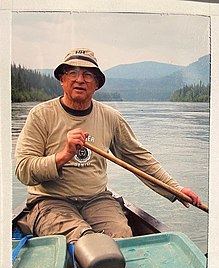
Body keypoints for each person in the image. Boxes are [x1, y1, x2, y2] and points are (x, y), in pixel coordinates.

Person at [15, 48, 202, 243]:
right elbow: (24, 170)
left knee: (122, 240)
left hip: (97, 199)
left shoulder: (110, 117)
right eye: (73, 73)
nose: (80, 79)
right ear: (62, 79)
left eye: (88, 75)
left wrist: (175, 189)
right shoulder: (41, 115)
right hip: (51, 201)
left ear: (97, 84)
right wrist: (63, 155)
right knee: (85, 244)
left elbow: (139, 159)